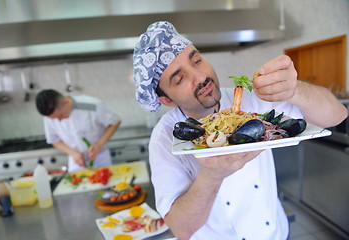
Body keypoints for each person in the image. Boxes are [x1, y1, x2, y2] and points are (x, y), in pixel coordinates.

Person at [132, 21, 347, 240]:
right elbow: (181, 229)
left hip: (275, 234)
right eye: (180, 79)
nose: (199, 77)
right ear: (166, 99)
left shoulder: (252, 99)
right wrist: (212, 175)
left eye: (197, 60)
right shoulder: (164, 138)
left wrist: (295, 89)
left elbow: (336, 115)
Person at [36, 89, 121, 172]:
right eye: (55, 118)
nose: (59, 120)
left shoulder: (92, 105)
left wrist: (99, 144)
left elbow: (115, 122)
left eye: (60, 115)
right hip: (76, 160)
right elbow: (54, 140)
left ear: (66, 102)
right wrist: (73, 153)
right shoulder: (49, 116)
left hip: (100, 157)